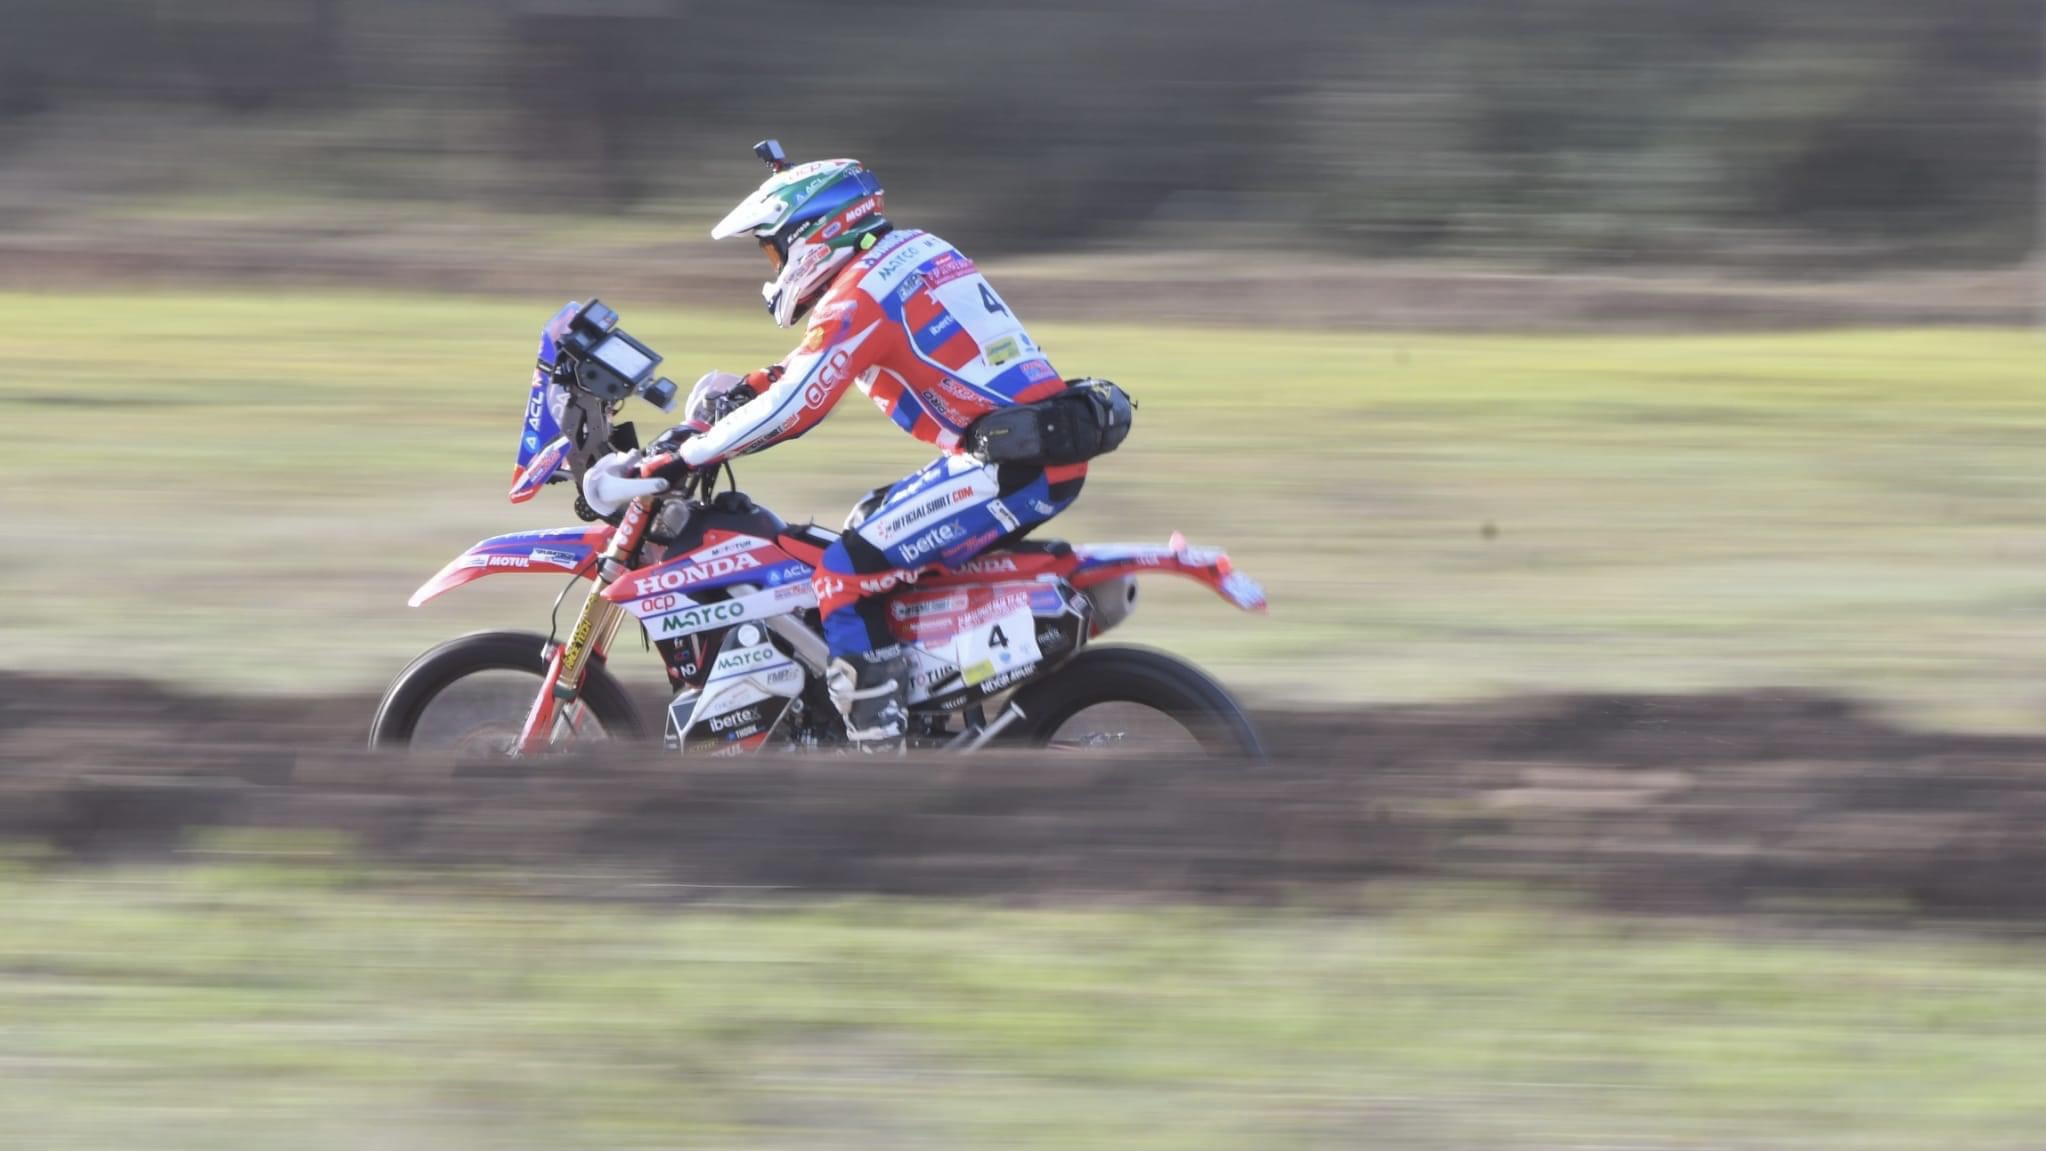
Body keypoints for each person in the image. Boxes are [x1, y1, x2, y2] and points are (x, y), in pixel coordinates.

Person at [582, 141, 1088, 748]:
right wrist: (746, 388)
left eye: (773, 248)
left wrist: (684, 456)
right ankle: (920, 705)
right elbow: (817, 365)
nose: (773, 266)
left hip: (1008, 464)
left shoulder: (860, 293)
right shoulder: (911, 252)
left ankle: (878, 757)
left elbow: (798, 405)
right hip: (1025, 450)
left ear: (813, 232)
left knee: (844, 574)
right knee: (867, 527)